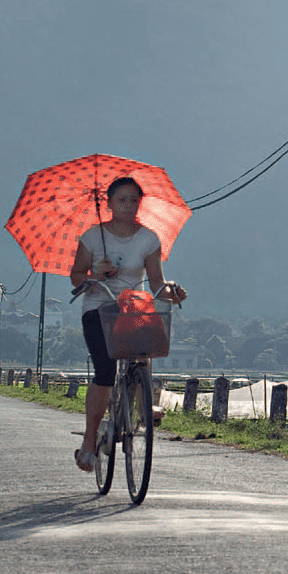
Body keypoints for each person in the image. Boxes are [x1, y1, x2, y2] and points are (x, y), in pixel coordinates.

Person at [68, 176, 186, 473]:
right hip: (98, 307)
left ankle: (144, 407)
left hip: (132, 305)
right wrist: (97, 274)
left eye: (134, 200)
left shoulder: (148, 238)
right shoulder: (93, 237)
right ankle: (89, 441)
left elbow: (157, 284)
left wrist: (173, 293)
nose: (129, 205)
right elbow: (76, 276)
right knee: (105, 373)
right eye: (122, 200)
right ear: (108, 203)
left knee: (143, 352)